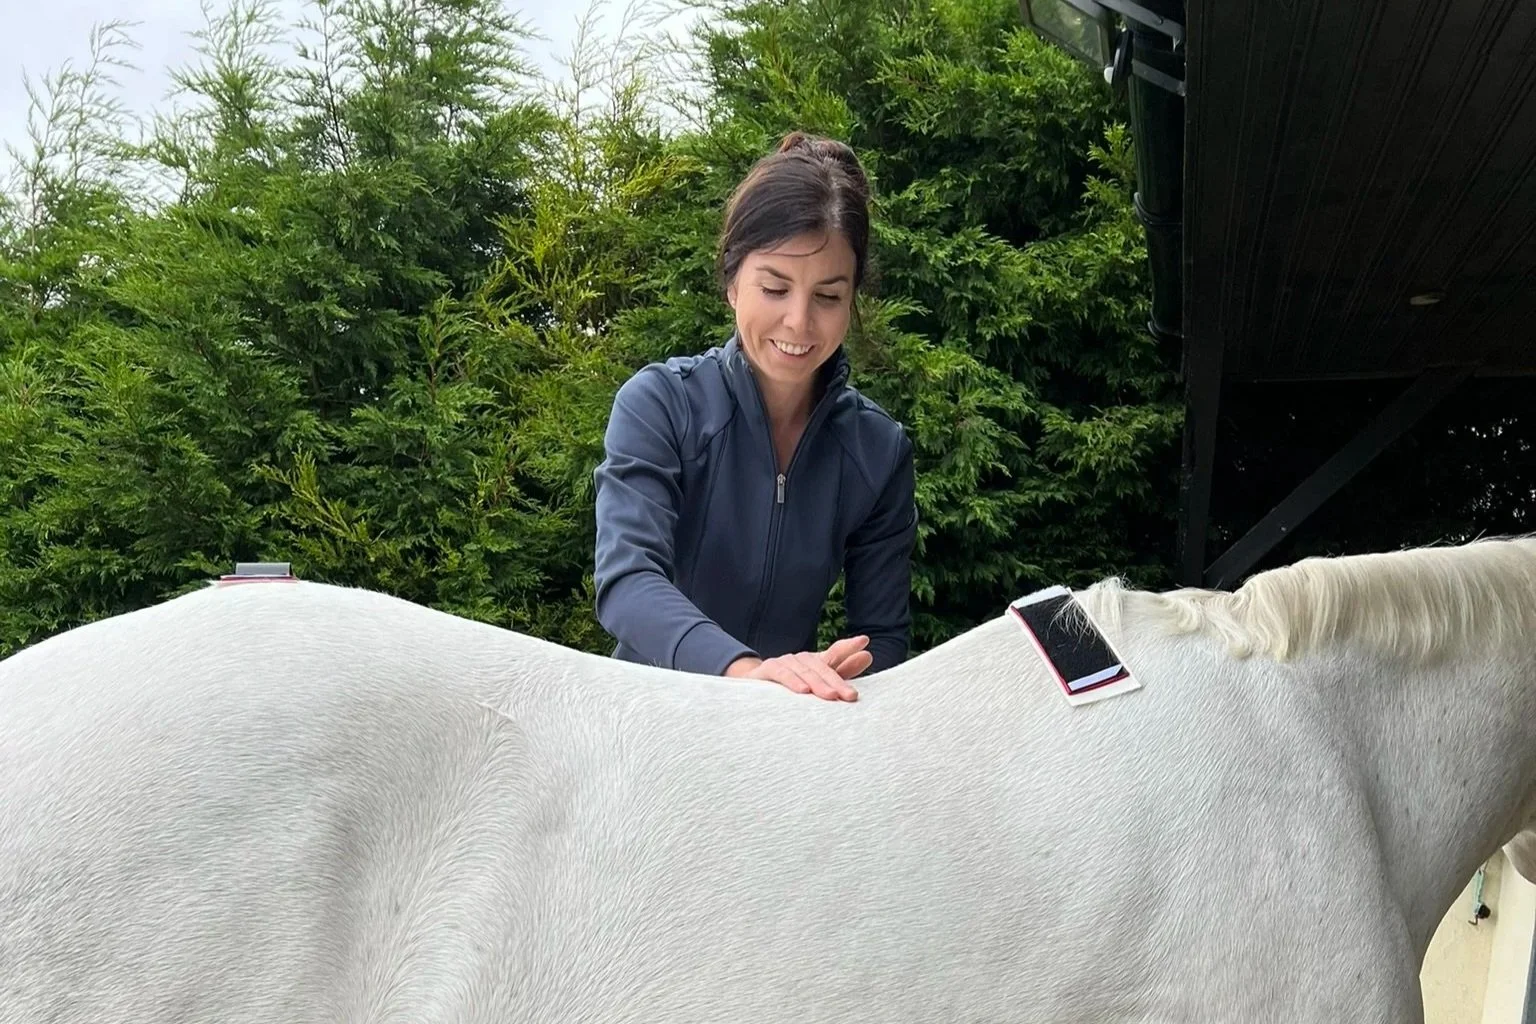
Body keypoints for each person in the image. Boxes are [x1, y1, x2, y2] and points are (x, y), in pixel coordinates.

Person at [591, 131, 918, 702]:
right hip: (645, 721)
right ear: (732, 282)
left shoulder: (879, 451)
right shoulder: (659, 404)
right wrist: (744, 672)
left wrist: (837, 672)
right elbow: (627, 582)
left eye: (828, 296)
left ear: (853, 301)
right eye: (775, 286)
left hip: (783, 734)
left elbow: (884, 636)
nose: (798, 321)